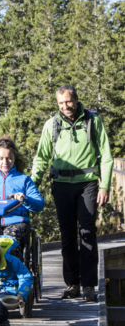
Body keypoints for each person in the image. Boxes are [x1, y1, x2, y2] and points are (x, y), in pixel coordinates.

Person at [31, 85, 113, 302]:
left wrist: (104, 186)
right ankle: (72, 284)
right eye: (61, 103)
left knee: (87, 232)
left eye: (68, 101)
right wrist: (32, 185)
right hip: (61, 185)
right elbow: (41, 157)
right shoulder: (51, 125)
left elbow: (106, 155)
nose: (65, 106)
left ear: (76, 100)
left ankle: (88, 285)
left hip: (87, 184)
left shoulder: (93, 121)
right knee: (67, 235)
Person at [0, 135, 44, 260]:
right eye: (1, 158)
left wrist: (25, 199)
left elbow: (39, 204)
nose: (5, 162)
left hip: (16, 222)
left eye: (9, 158)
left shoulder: (24, 180)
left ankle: (11, 269)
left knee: (9, 243)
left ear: (15, 158)